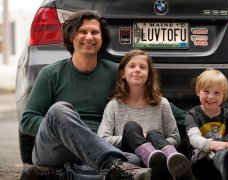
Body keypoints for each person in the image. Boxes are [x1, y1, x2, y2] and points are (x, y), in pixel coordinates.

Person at [20, 10, 152, 180]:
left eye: (95, 32)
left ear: (102, 39)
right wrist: (66, 130)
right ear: (71, 37)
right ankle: (109, 166)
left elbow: (148, 99)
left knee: (133, 160)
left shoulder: (116, 73)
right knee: (59, 110)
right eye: (83, 31)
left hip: (98, 148)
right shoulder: (50, 73)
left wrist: (191, 116)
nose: (89, 37)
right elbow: (27, 120)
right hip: (57, 149)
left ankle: (60, 175)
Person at [97, 49, 194, 180]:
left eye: (142, 67)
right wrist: (140, 138)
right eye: (132, 66)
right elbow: (102, 139)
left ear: (149, 75)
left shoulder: (162, 104)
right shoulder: (114, 105)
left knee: (153, 134)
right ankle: (148, 155)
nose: (137, 70)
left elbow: (175, 138)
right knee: (131, 127)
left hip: (159, 159)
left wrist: (152, 141)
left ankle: (175, 165)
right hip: (130, 159)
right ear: (122, 74)